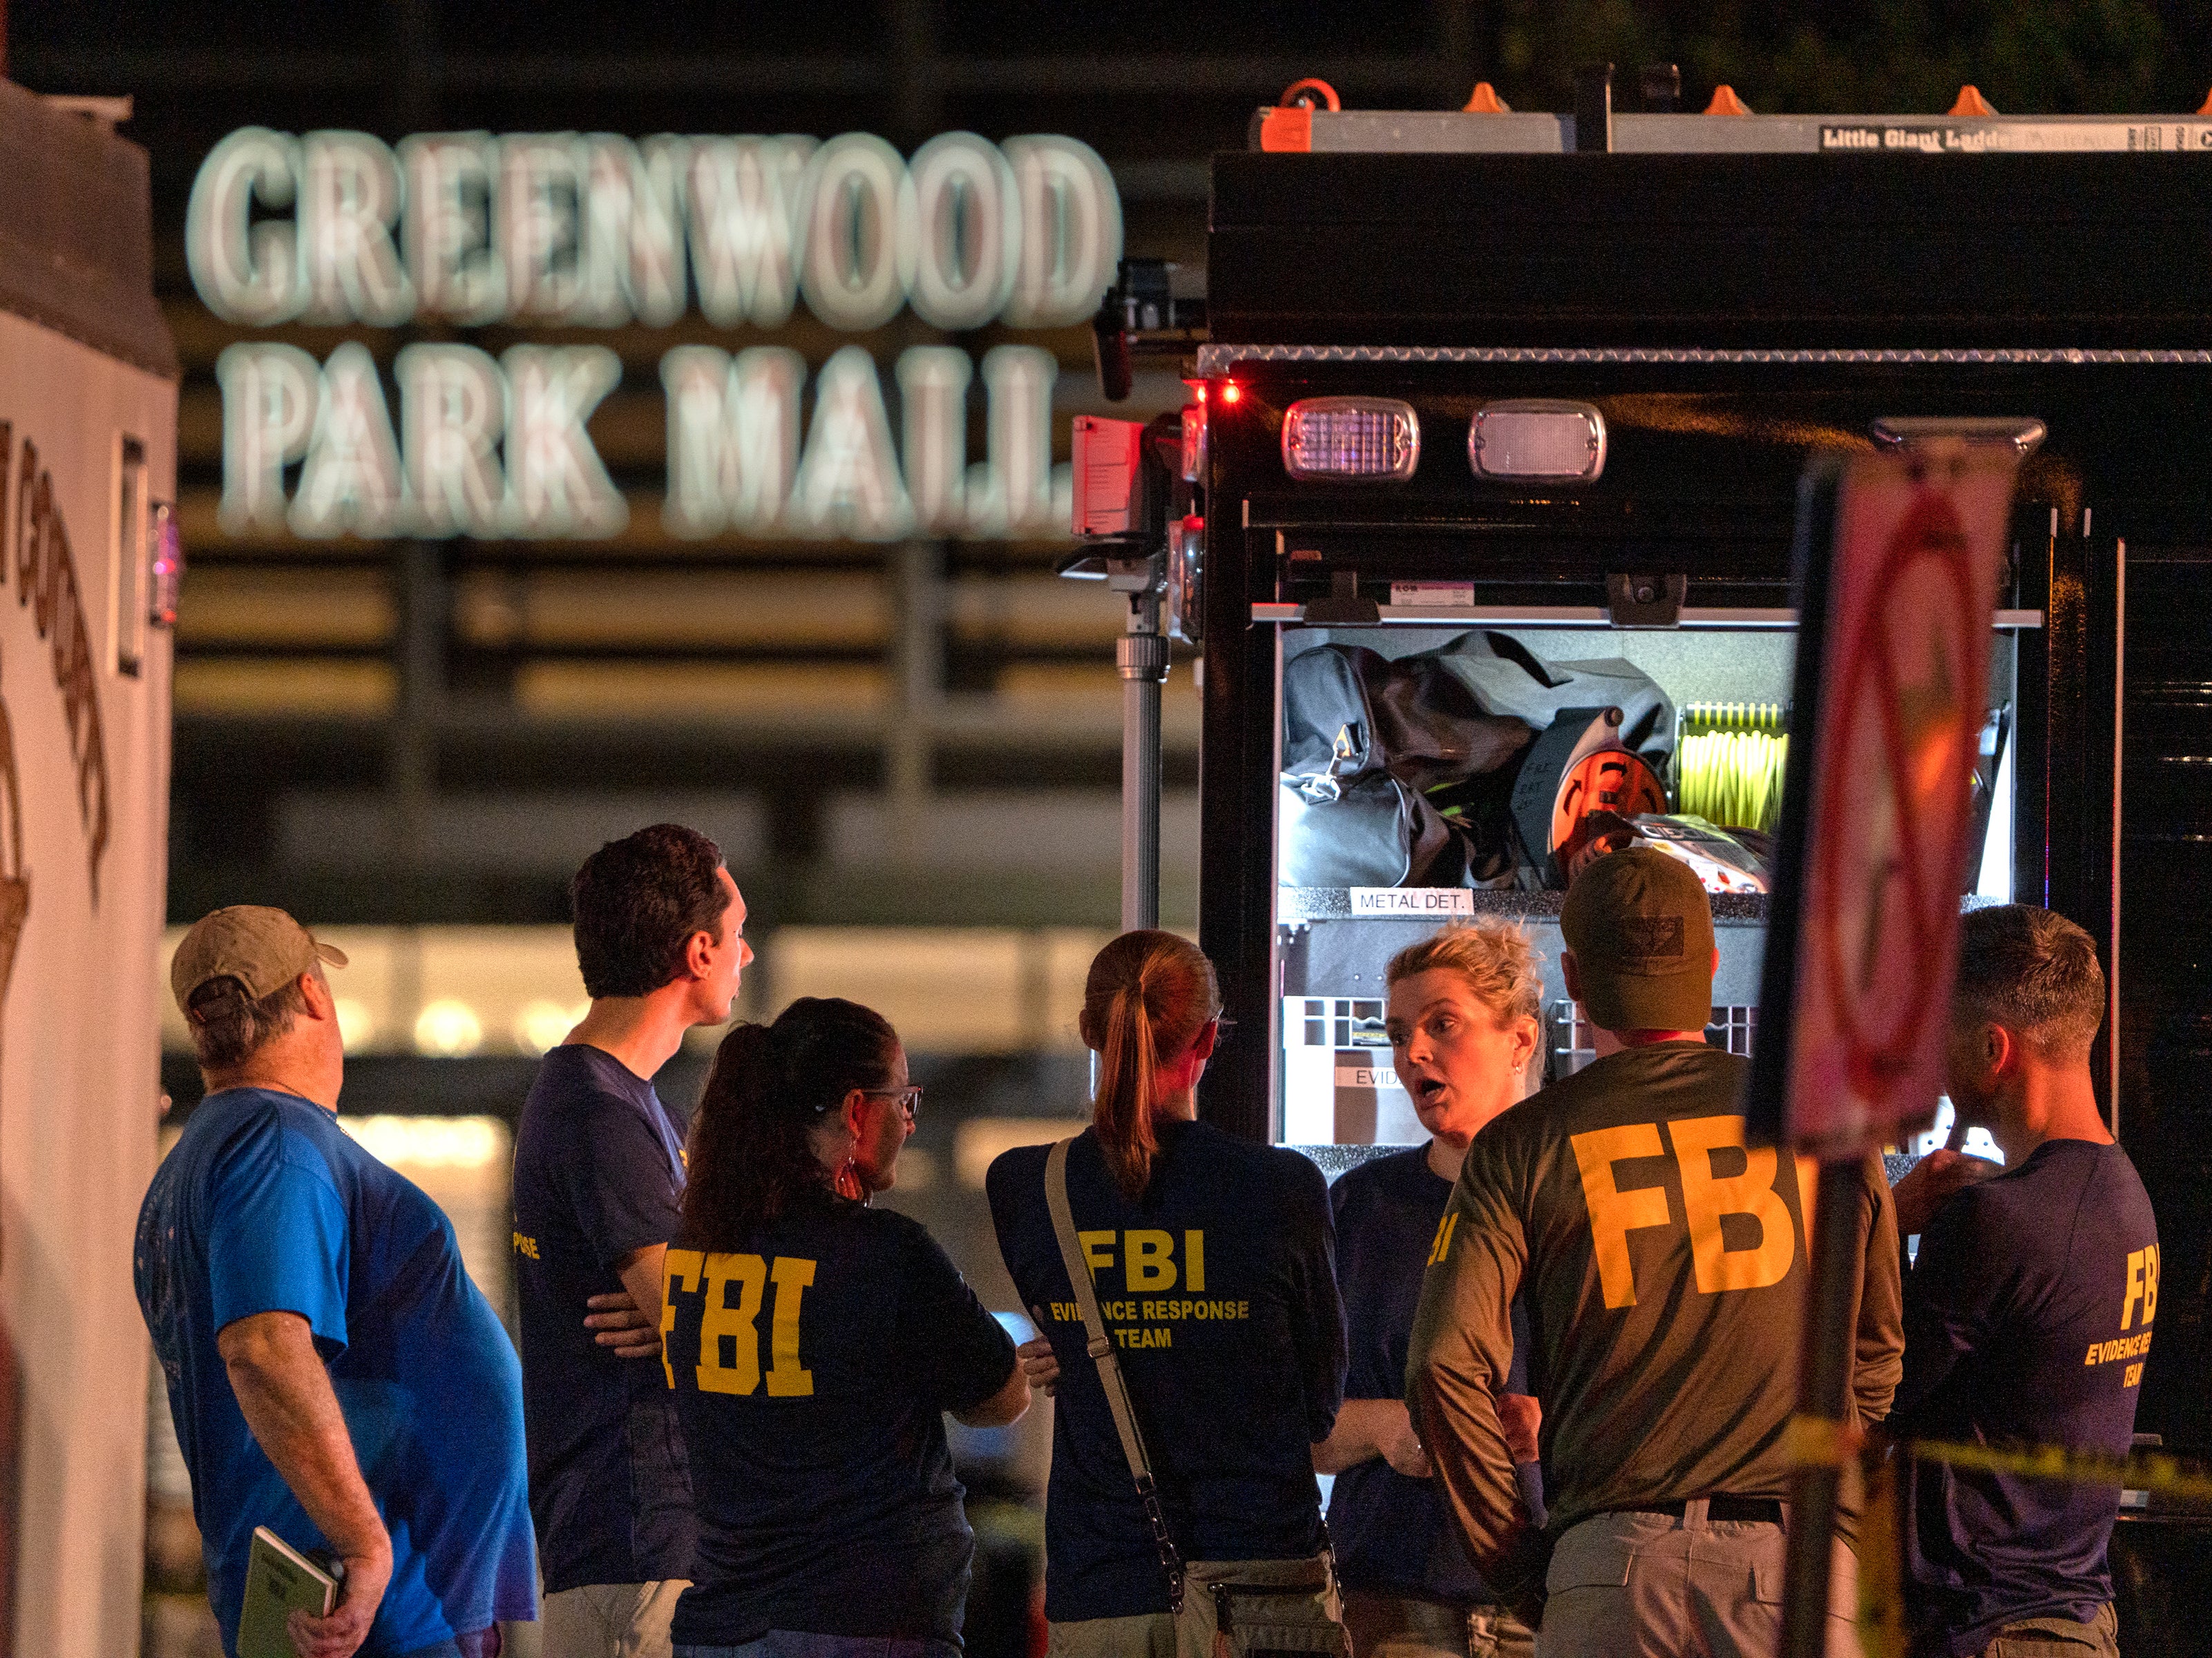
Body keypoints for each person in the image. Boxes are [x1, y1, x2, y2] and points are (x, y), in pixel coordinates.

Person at [1407, 848, 1904, 1658]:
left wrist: (1523, 1564)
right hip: (1796, 1568)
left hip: (1610, 1568)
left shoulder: (1519, 1146)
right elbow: (1876, 1351)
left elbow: (1440, 1366)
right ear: (1710, 964)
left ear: (1573, 977)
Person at [135, 906, 535, 1658]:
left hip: (358, 1605)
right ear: (314, 994)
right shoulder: (275, 1145)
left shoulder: (201, 1161)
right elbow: (262, 1346)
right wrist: (366, 1548)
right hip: (370, 1611)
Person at [986, 929, 1349, 1657]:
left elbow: (1074, 1341)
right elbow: (1318, 1407)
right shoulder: (1281, 1189)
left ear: (1090, 1030)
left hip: (1103, 1591)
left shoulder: (1027, 1187)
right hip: (1260, 1586)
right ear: (1209, 1038)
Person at [663, 996, 1029, 1657]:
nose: (911, 1124)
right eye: (904, 1100)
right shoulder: (887, 1253)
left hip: (724, 1626)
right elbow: (1004, 1395)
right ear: (859, 1110)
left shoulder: (692, 1257)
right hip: (868, 1623)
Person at [1887, 905, 2157, 1658]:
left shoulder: (1994, 1221)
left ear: (1992, 1047)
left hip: (1993, 1628)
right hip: (2070, 1618)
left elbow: (1866, 1389)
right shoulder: (2123, 1196)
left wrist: (1875, 1221)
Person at [511, 825, 752, 1658]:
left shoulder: (630, 1104)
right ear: (697, 952)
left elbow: (688, 1307)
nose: (746, 956)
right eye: (737, 935)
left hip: (634, 1548)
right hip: (636, 1546)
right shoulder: (599, 1114)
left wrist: (695, 1298)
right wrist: (695, 1307)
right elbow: (703, 1326)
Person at [1317, 922, 1548, 1658]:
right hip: (1391, 1603)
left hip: (1552, 1599)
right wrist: (1388, 1427)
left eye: (1442, 1025)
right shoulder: (1357, 1208)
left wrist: (1553, 1426)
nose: (1412, 1051)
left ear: (1520, 1041)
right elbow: (1299, 1428)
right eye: (1397, 1033)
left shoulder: (1581, 1199)